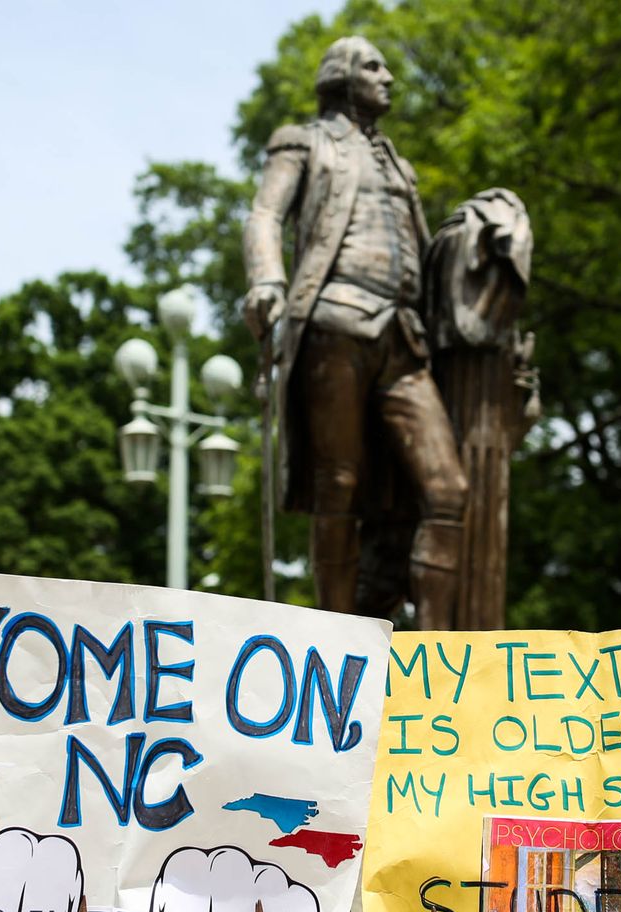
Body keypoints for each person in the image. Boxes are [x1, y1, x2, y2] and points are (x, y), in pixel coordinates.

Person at [242, 35, 469, 629]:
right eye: (374, 66)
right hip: (334, 319)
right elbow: (266, 214)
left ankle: (437, 652)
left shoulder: (399, 164)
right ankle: (335, 643)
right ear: (341, 77)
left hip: (404, 335)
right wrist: (267, 280)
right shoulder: (305, 142)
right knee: (335, 486)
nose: (389, 76)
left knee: (447, 489)